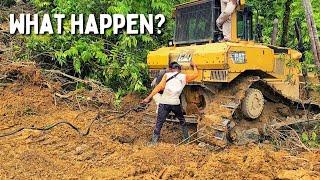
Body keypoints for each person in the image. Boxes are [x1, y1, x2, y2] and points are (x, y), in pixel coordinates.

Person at [142, 62, 199, 145]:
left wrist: (148, 98)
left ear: (172, 69)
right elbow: (195, 75)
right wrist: (194, 66)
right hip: (175, 103)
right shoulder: (184, 77)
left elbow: (158, 87)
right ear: (180, 70)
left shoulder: (166, 75)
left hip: (164, 102)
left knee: (159, 122)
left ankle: (153, 142)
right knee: (182, 121)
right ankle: (187, 140)